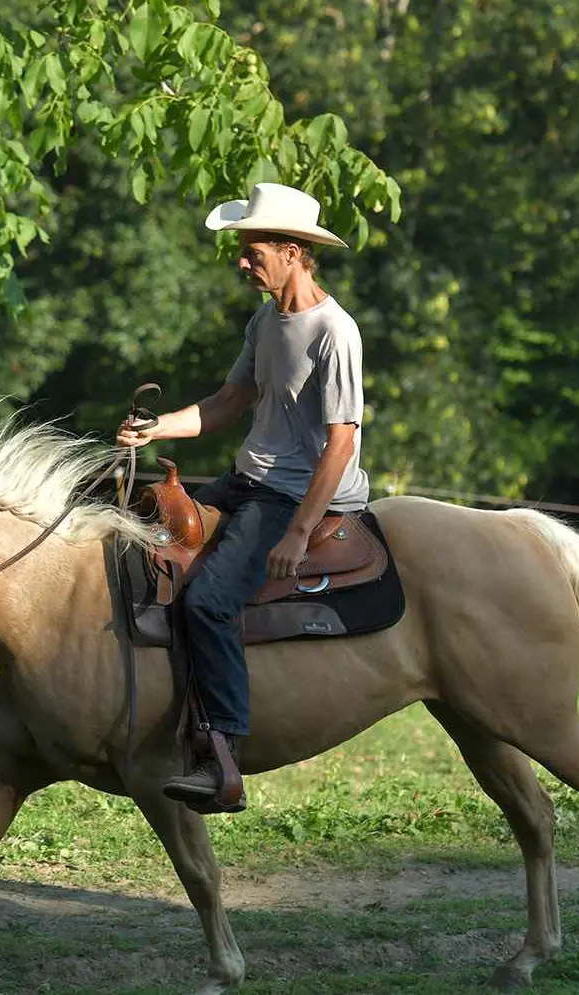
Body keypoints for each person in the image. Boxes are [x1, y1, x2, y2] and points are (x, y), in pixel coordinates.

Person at [115, 182, 371, 812]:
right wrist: (157, 428)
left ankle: (221, 755)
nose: (241, 261)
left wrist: (299, 532)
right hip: (247, 479)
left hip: (292, 496)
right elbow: (229, 403)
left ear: (292, 252)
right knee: (146, 542)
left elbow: (341, 442)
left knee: (208, 600)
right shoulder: (265, 321)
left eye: (252, 251)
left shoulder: (334, 332)